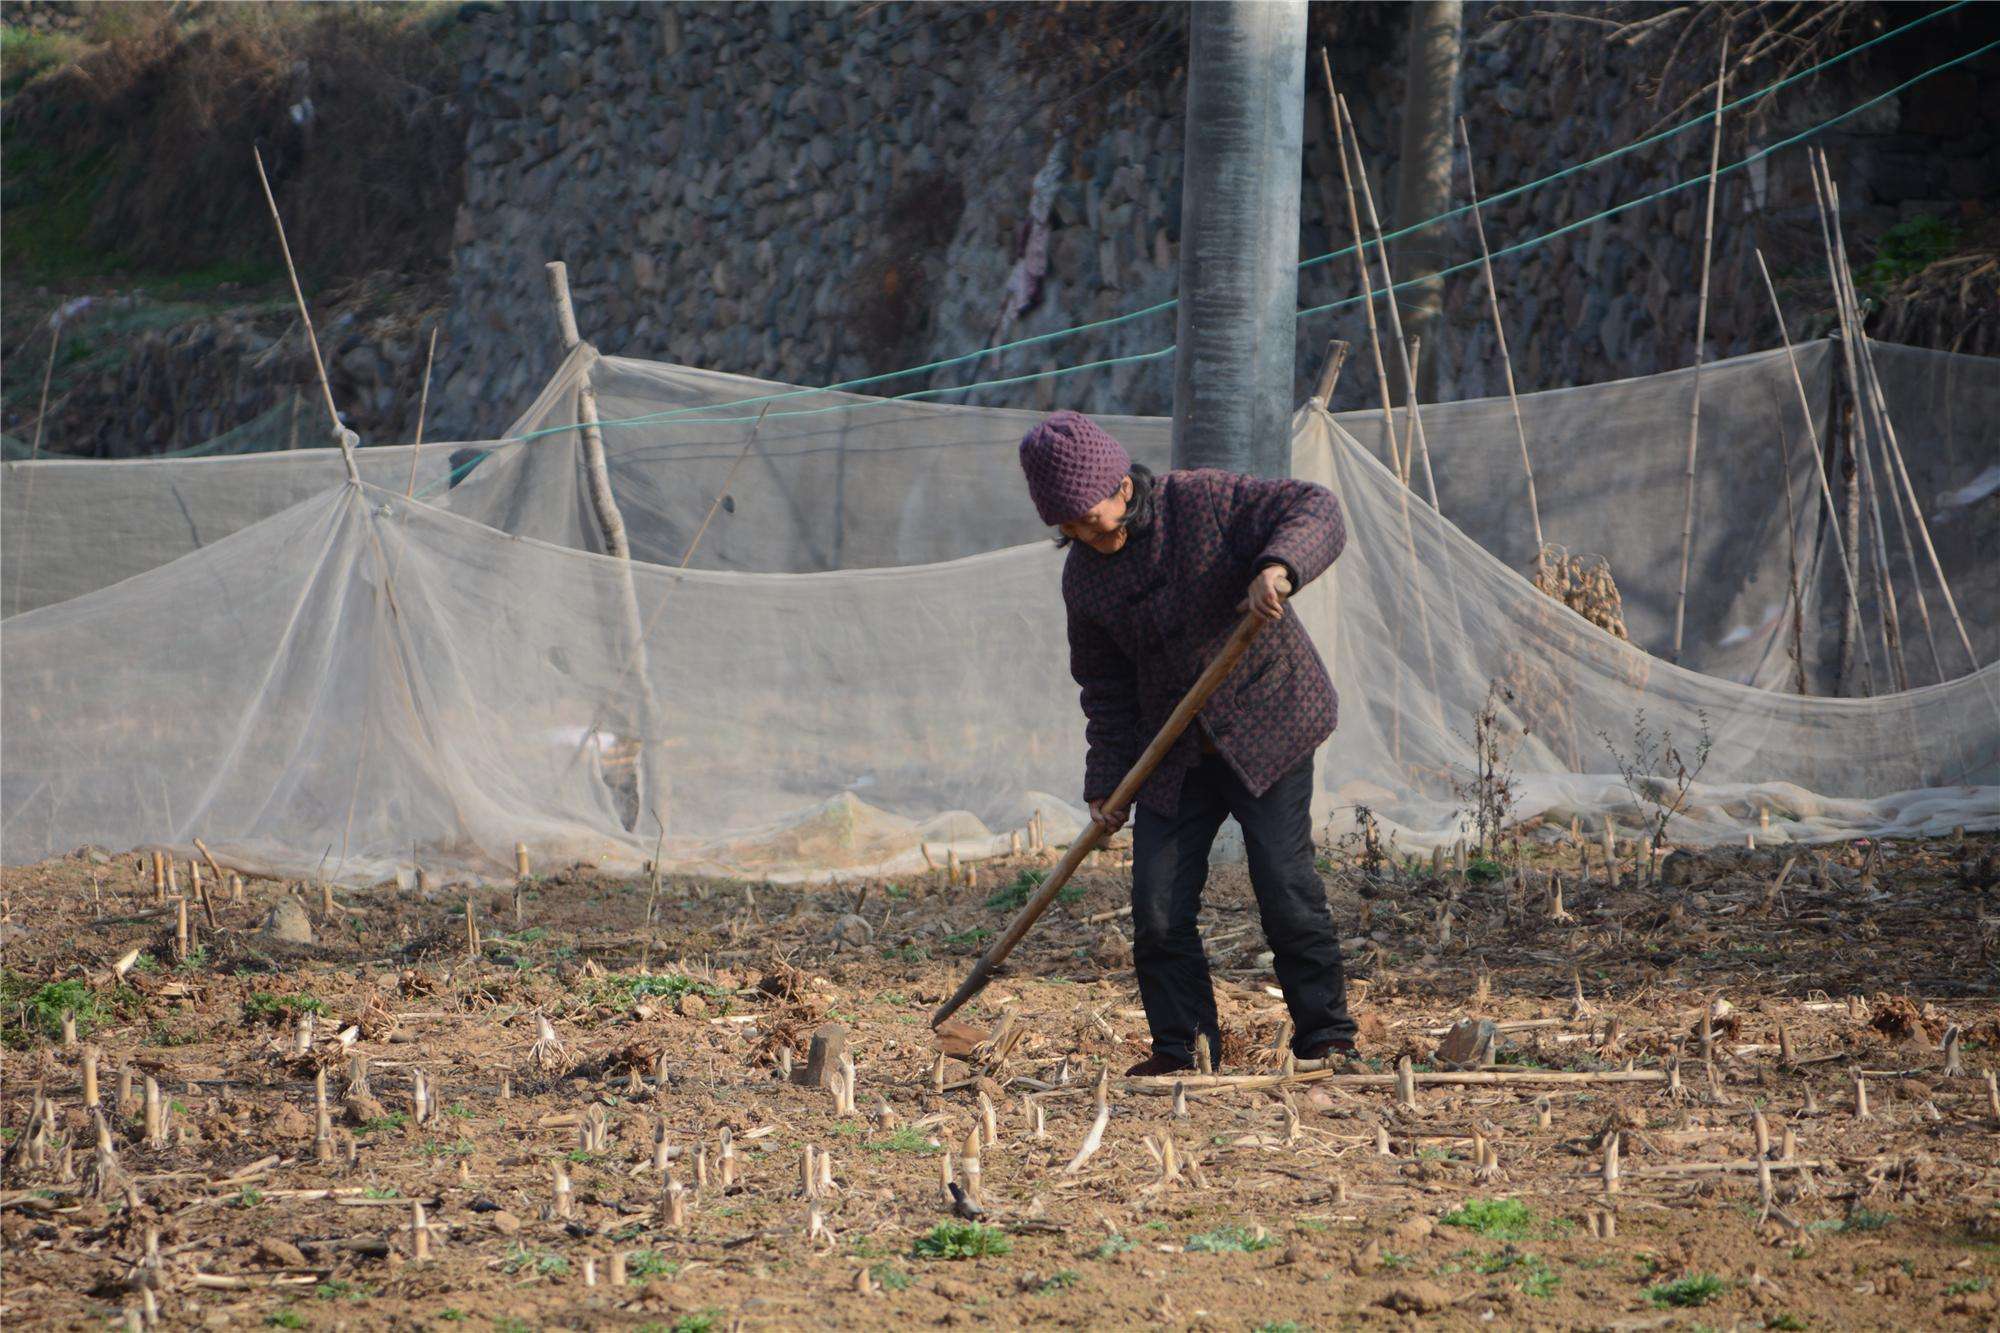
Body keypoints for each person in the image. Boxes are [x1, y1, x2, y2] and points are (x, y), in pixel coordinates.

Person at [1018, 409, 1358, 1077]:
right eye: (1069, 527)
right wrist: (1106, 785)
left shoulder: (1201, 502)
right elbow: (1106, 690)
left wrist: (1278, 567)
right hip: (1172, 752)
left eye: (1093, 516)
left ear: (1121, 485)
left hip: (1269, 719)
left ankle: (1327, 1039)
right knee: (1157, 905)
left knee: (1284, 884)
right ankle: (1183, 1050)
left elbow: (1316, 508)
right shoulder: (1084, 579)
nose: (1088, 534)